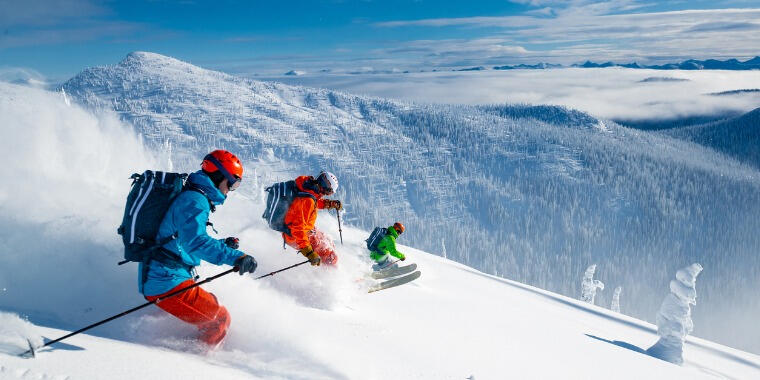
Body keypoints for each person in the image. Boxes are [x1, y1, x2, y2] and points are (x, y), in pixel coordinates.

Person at [139, 150, 258, 346]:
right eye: (233, 183)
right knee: (219, 320)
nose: (231, 190)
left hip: (165, 276)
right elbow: (195, 242)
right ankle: (195, 362)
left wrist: (222, 245)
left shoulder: (194, 196)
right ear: (220, 176)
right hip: (166, 281)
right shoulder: (195, 200)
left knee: (211, 304)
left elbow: (182, 238)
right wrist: (236, 257)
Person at [283, 171, 342, 266]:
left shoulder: (307, 186)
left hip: (303, 229)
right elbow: (297, 229)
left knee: (328, 240)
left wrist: (329, 204)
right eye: (328, 192)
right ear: (325, 188)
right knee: (330, 256)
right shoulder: (307, 200)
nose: (326, 194)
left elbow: (314, 202)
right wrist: (309, 252)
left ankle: (330, 266)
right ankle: (331, 276)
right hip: (295, 236)